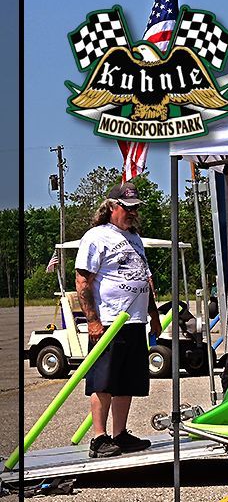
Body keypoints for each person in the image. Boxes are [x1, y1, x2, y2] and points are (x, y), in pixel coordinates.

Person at [75, 181, 162, 458]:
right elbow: (82, 281)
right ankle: (99, 437)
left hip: (134, 321)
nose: (133, 213)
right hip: (110, 321)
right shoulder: (96, 237)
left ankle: (119, 433)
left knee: (128, 380)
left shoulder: (135, 238)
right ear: (112, 207)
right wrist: (93, 321)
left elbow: (145, 280)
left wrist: (153, 314)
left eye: (136, 208)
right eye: (128, 208)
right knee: (104, 380)